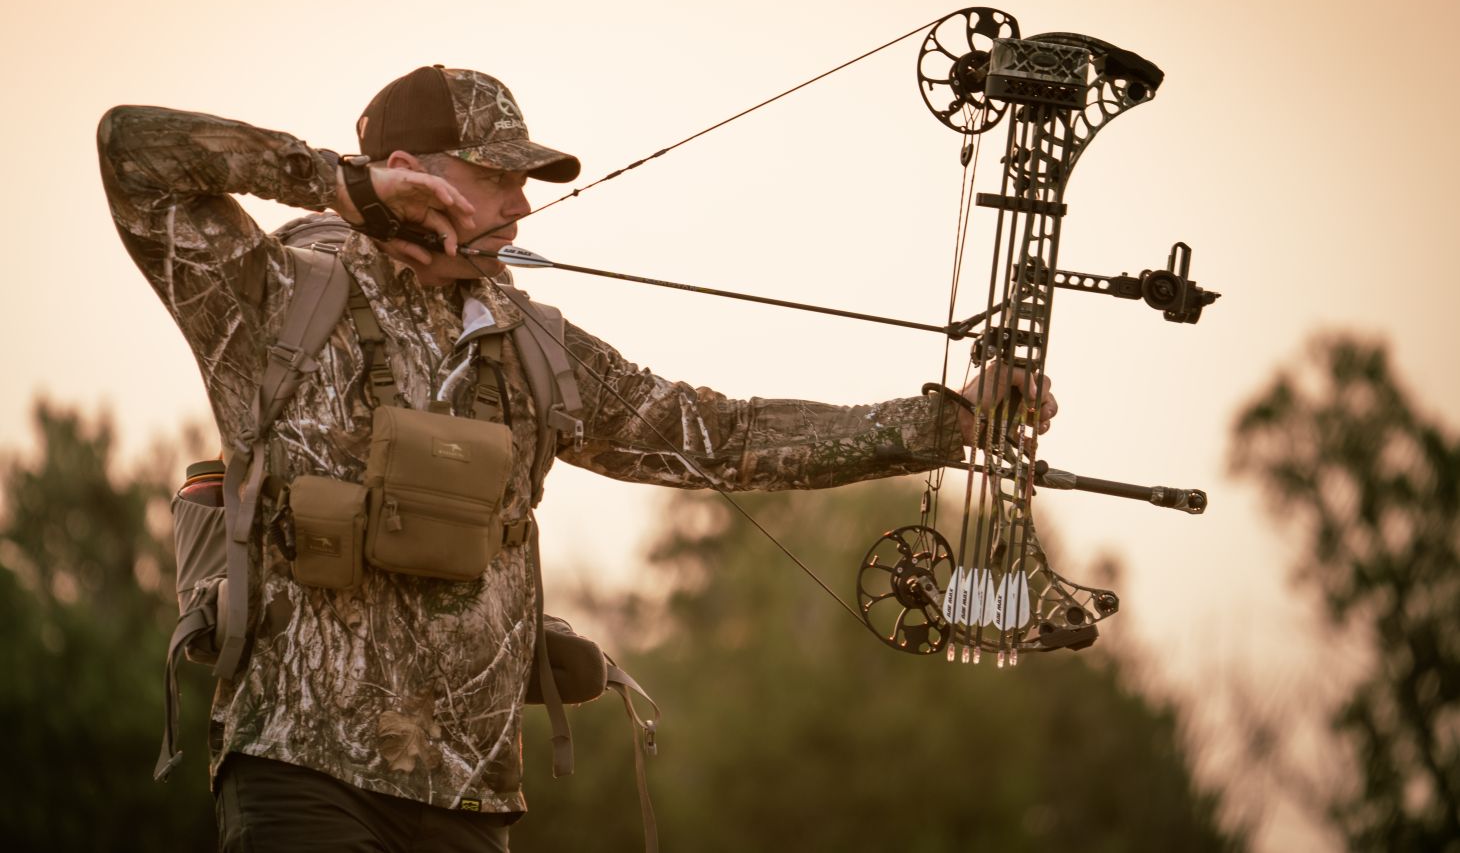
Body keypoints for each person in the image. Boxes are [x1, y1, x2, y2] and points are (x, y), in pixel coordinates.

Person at [97, 65, 1056, 851]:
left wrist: (951, 423)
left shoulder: (530, 345)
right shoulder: (270, 293)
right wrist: (332, 183)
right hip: (299, 768)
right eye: (495, 176)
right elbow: (128, 147)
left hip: (470, 794)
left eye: (526, 181)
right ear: (404, 171)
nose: (520, 204)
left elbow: (722, 436)